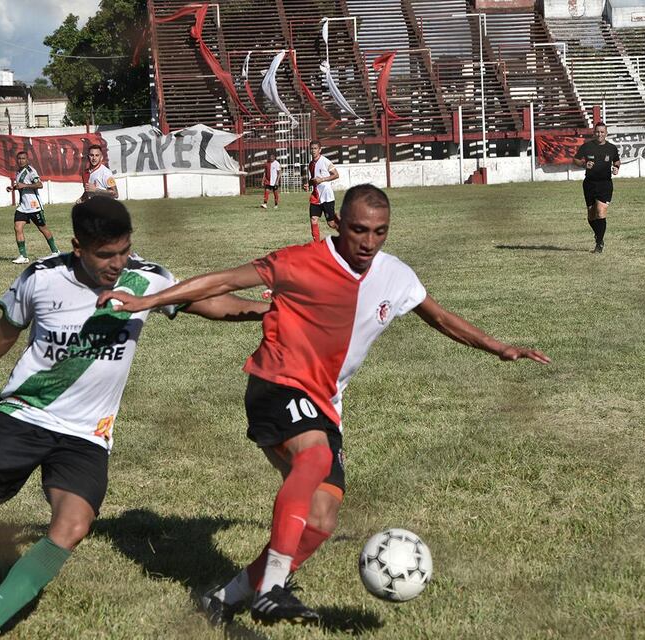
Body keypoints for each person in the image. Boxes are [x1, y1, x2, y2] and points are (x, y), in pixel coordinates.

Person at [99, 184, 551, 626]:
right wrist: (149, 300)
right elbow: (223, 279)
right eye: (359, 230)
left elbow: (440, 317)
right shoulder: (300, 261)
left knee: (321, 518)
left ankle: (224, 596)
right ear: (337, 223)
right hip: (276, 383)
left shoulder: (396, 275)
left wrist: (498, 347)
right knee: (312, 457)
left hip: (324, 401)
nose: (368, 242)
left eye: (380, 232)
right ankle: (273, 588)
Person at [0, 197, 266, 640]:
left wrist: (271, 310)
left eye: (123, 251)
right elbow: (4, 333)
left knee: (72, 526)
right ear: (77, 247)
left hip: (87, 435)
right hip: (25, 414)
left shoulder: (145, 280)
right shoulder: (41, 277)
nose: (116, 263)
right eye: (105, 255)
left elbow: (214, 304)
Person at [573, 123, 620, 253]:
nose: (600, 134)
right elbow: (575, 160)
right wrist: (584, 164)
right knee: (591, 215)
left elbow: (616, 161)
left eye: (602, 132)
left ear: (606, 133)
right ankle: (598, 235)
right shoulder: (587, 147)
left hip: (605, 184)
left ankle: (599, 243)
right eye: (597, 132)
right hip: (589, 183)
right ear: (594, 133)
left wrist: (616, 168)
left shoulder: (612, 148)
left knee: (600, 212)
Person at [7, 151, 58, 264]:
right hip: (23, 207)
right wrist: (13, 188)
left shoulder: (31, 171)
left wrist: (24, 186)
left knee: (43, 228)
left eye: (23, 158)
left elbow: (40, 184)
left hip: (34, 206)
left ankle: (55, 251)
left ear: (27, 159)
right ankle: (23, 256)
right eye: (19, 158)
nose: (21, 160)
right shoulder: (18, 172)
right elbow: (21, 185)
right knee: (17, 227)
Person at [301, 141, 339, 241]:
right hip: (315, 196)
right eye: (312, 148)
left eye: (315, 148)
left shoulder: (325, 161)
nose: (313, 150)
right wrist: (308, 184)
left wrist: (322, 179)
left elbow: (336, 175)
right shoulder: (311, 164)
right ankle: (317, 246)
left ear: (320, 150)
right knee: (313, 219)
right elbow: (313, 179)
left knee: (331, 223)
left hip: (327, 196)